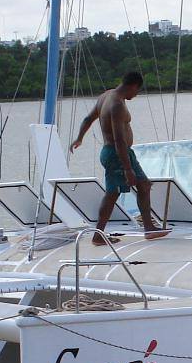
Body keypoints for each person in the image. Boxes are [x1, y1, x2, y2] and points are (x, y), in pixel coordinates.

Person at [70, 71, 168, 244]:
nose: (136, 95)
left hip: (117, 153)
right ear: (133, 86)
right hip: (117, 154)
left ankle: (147, 228)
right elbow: (119, 139)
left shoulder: (105, 96)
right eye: (137, 92)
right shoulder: (116, 105)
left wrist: (80, 138)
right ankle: (99, 235)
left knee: (140, 186)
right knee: (115, 193)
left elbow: (88, 118)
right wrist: (128, 168)